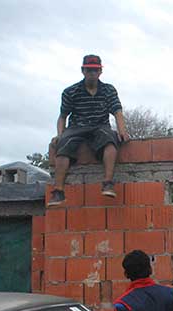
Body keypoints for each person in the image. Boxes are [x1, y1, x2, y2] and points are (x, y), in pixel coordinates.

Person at [48, 54, 129, 206]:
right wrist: (60, 135)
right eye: (89, 70)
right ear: (83, 70)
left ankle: (108, 183)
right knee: (63, 145)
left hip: (100, 125)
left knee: (110, 141)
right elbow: (62, 117)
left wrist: (122, 130)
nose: (92, 73)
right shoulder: (70, 92)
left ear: (100, 72)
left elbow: (117, 111)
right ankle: (58, 191)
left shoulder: (108, 90)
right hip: (76, 127)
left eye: (95, 70)